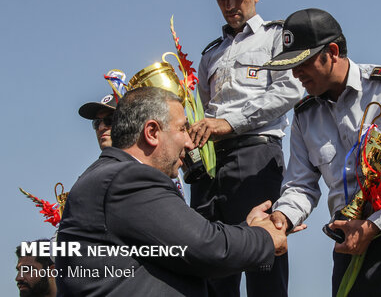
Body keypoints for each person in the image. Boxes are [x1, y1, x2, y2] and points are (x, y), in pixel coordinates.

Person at [262, 8, 381, 297]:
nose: (295, 74)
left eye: (302, 62)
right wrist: (282, 218)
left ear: (332, 51)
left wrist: (374, 226)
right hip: (348, 245)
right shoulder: (303, 116)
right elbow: (300, 185)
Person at [56, 87, 287, 297]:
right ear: (152, 132)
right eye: (182, 129)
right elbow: (207, 248)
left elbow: (184, 245)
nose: (189, 142)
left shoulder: (114, 177)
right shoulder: (127, 180)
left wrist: (247, 229)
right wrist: (265, 237)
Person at [189, 0, 304, 297]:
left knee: (262, 258)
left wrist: (228, 123)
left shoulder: (275, 37)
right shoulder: (211, 53)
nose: (229, 4)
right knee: (212, 262)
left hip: (256, 157)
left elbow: (291, 89)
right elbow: (203, 106)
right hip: (211, 165)